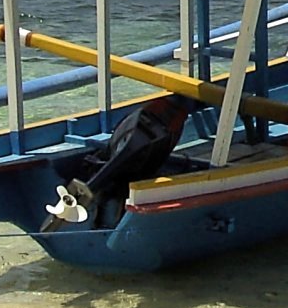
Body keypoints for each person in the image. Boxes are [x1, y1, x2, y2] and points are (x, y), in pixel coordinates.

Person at [41, 93, 195, 232]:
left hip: (128, 157)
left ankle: (101, 218)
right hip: (133, 156)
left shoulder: (142, 131)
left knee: (114, 177)